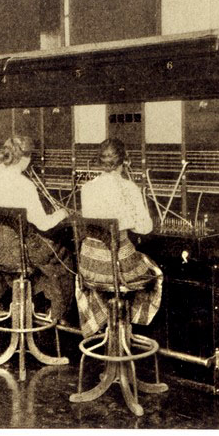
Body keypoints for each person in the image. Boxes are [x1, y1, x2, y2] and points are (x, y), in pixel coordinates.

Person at [0, 135, 73, 322]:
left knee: (38, 258)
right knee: (64, 256)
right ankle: (57, 315)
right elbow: (43, 224)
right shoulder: (26, 185)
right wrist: (62, 213)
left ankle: (20, 305)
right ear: (26, 158)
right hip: (19, 252)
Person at [76, 138, 163, 337]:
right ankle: (130, 328)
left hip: (89, 268)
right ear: (125, 161)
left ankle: (108, 328)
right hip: (117, 270)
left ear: (99, 161)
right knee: (155, 272)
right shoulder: (129, 187)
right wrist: (130, 220)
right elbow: (145, 227)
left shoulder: (87, 188)